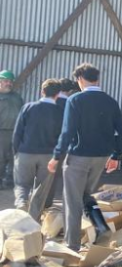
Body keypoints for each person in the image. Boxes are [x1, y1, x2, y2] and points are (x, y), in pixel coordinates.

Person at [49, 64, 122, 251]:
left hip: (79, 155)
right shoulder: (111, 101)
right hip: (101, 157)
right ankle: (100, 225)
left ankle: (72, 245)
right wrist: (116, 155)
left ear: (80, 79)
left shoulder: (75, 100)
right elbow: (121, 132)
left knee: (72, 200)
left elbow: (67, 131)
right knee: (84, 195)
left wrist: (57, 155)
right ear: (97, 78)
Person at [12, 79, 62, 220]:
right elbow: (62, 135)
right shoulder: (60, 112)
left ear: (42, 91)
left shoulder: (28, 107)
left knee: (22, 184)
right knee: (41, 189)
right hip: (48, 155)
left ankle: (21, 203)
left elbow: (17, 132)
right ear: (58, 94)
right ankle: (33, 220)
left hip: (26, 152)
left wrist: (16, 152)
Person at [45, 78, 79, 207]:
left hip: (47, 143)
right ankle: (68, 204)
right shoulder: (72, 103)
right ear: (70, 91)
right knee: (68, 176)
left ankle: (45, 204)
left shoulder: (50, 101)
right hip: (65, 144)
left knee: (48, 176)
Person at [0, 70, 25, 190]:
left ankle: (10, 181)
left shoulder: (17, 97)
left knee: (14, 158)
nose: (8, 83)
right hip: (1, 132)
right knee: (1, 158)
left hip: (16, 132)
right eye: (6, 81)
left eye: (10, 81)